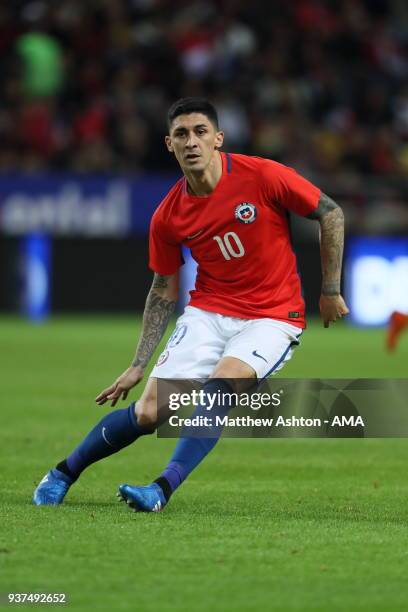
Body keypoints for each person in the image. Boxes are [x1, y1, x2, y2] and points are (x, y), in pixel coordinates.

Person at [33, 97, 349, 511]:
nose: (192, 141)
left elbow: (331, 213)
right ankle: (61, 474)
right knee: (147, 413)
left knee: (218, 389)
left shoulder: (264, 175)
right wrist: (137, 364)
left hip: (272, 317)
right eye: (181, 134)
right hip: (208, 313)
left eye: (201, 132)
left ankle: (160, 490)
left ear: (218, 139)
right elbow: (163, 289)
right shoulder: (168, 215)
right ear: (169, 144)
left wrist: (329, 290)